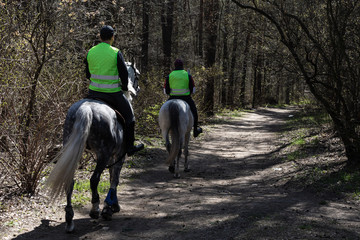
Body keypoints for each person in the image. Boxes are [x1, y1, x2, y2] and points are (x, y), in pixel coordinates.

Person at [85, 25, 144, 156]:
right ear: (112, 37)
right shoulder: (116, 52)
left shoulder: (90, 51)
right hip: (112, 94)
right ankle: (130, 147)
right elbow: (124, 74)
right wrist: (124, 86)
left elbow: (87, 74)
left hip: (93, 93)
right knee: (130, 119)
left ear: (100, 37)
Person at [164, 59, 203, 137]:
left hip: (172, 98)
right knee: (194, 111)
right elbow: (193, 90)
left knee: (163, 111)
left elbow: (166, 91)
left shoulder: (169, 75)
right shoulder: (187, 75)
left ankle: (163, 129)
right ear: (182, 66)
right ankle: (195, 130)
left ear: (174, 66)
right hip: (186, 98)